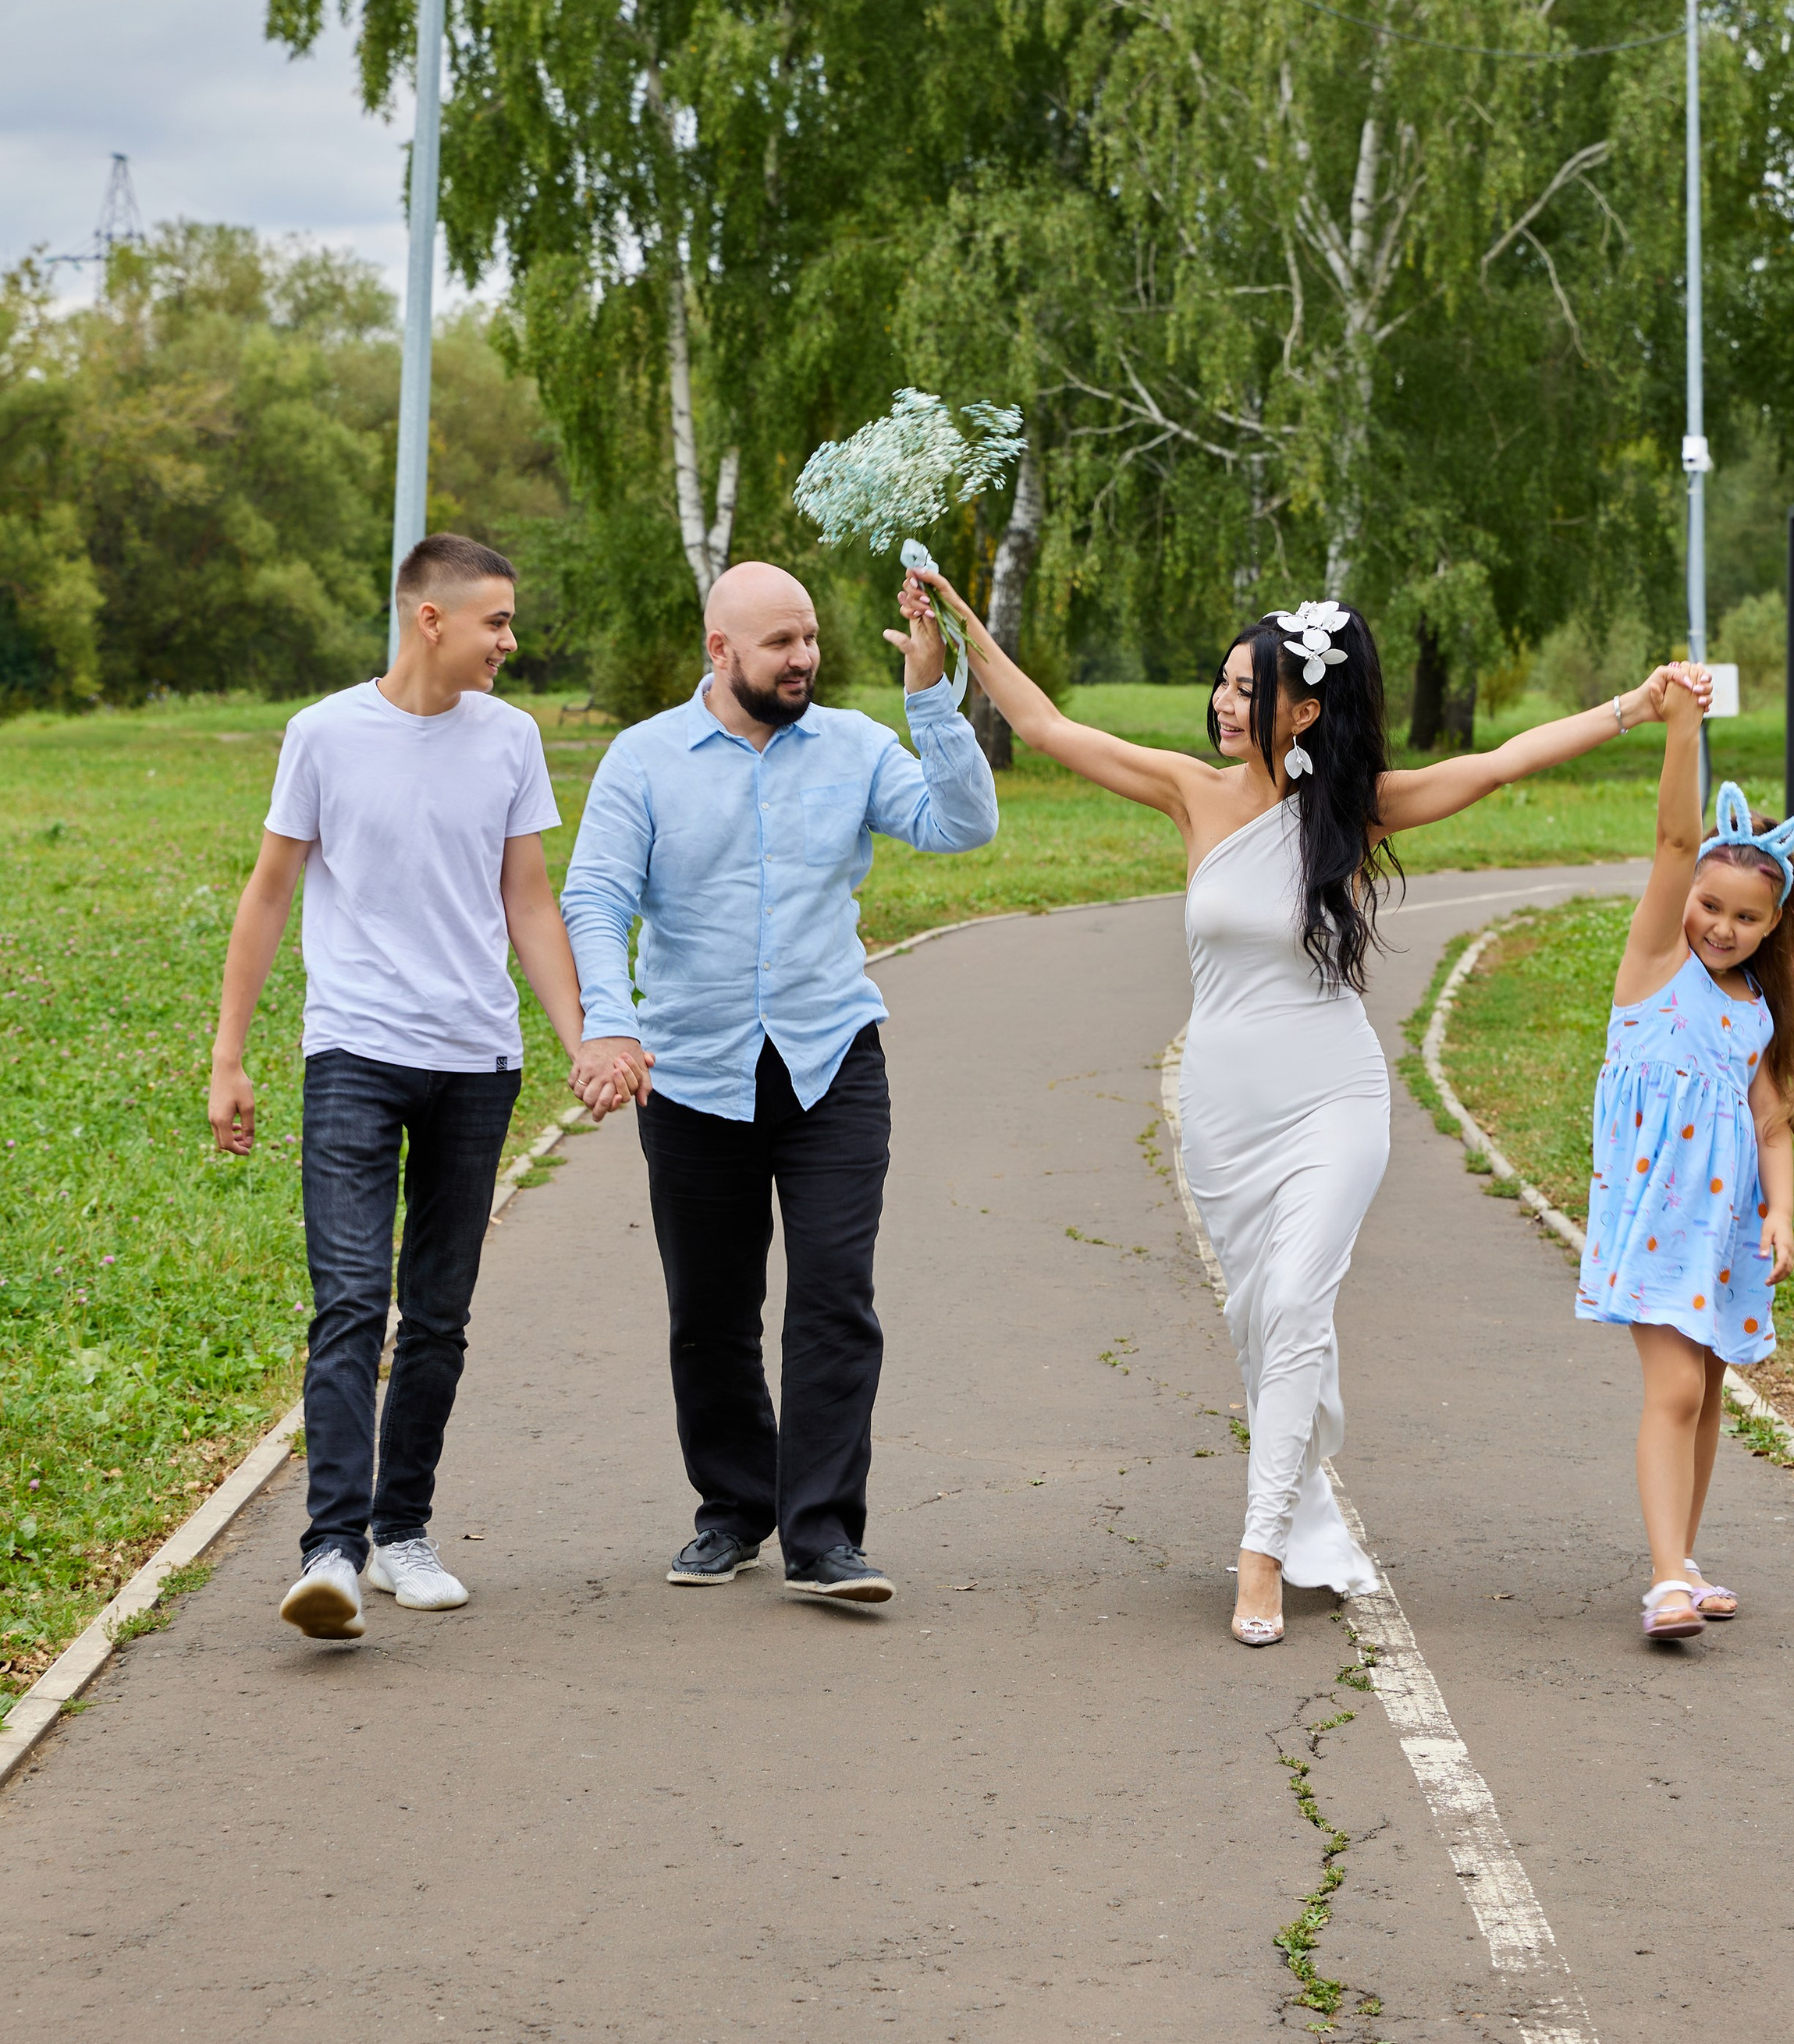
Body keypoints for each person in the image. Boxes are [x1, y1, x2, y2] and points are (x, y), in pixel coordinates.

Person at [903, 560, 1709, 1645]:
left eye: (1250, 686)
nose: (1227, 702)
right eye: (1225, 684)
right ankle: (1305, 1510)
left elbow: (1503, 762)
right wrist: (957, 623)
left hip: (1334, 1098)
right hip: (1224, 1111)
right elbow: (1048, 728)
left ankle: (1261, 1554)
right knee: (1262, 1323)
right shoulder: (1193, 791)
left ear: (1306, 707)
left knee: (1293, 1307)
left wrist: (1634, 706)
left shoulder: (1358, 809)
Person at [560, 561, 997, 1609]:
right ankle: (733, 1505)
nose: (804, 658)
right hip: (693, 1070)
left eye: (809, 639)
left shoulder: (852, 744)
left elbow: (963, 823)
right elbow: (597, 892)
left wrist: (932, 697)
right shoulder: (646, 759)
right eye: (779, 644)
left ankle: (824, 1536)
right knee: (710, 1311)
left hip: (830, 1061)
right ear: (721, 652)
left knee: (836, 1298)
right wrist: (610, 1024)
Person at [209, 534, 598, 1643]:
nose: (511, 643)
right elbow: (270, 892)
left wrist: (578, 1037)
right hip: (355, 1053)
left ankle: (402, 1531)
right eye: (497, 623)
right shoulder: (325, 734)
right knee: (349, 1302)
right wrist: (228, 1057)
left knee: (436, 1314)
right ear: (431, 618)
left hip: (477, 1061)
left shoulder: (511, 739)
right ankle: (331, 1548)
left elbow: (529, 899)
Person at [1576, 718, 1794, 1641]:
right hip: (1656, 1222)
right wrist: (1682, 726)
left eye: (1747, 917)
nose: (1722, 926)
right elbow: (1675, 840)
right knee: (1674, 1391)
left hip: (1722, 1230)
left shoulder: (1753, 1009)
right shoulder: (1654, 966)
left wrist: (1781, 1211)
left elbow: (1769, 1121)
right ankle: (1664, 1577)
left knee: (1707, 1394)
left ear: (1772, 923)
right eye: (1710, 906)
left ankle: (1682, 1556)